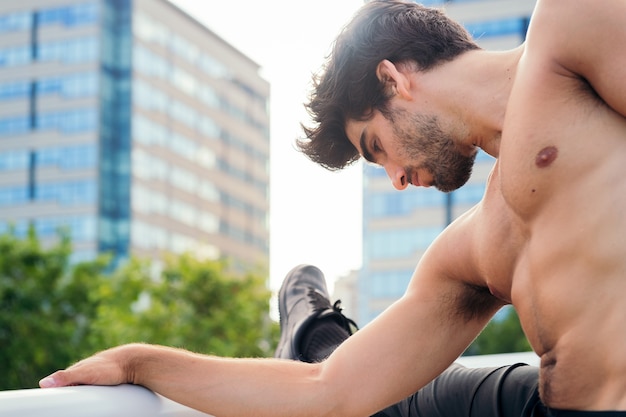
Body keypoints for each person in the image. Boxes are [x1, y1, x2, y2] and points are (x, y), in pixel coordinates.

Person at [39, 0, 626, 415]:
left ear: (393, 79)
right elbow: (329, 393)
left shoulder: (567, 29)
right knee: (391, 400)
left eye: (376, 147)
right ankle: (315, 332)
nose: (396, 179)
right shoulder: (476, 245)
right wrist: (139, 363)